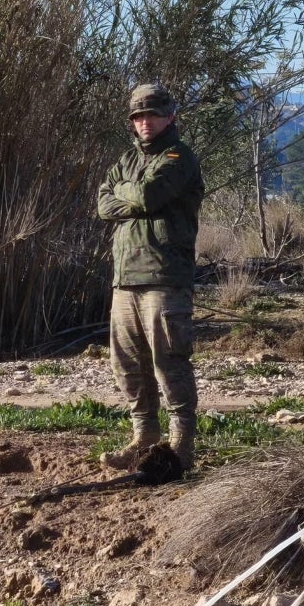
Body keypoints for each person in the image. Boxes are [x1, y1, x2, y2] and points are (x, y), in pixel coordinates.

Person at [97, 83, 205, 472]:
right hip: (125, 278)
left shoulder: (179, 156)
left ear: (170, 116)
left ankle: (182, 446)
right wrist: (130, 192)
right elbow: (103, 204)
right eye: (139, 116)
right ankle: (144, 437)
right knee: (128, 365)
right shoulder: (126, 160)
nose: (146, 122)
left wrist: (127, 193)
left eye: (153, 114)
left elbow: (147, 197)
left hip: (165, 276)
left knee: (169, 361)